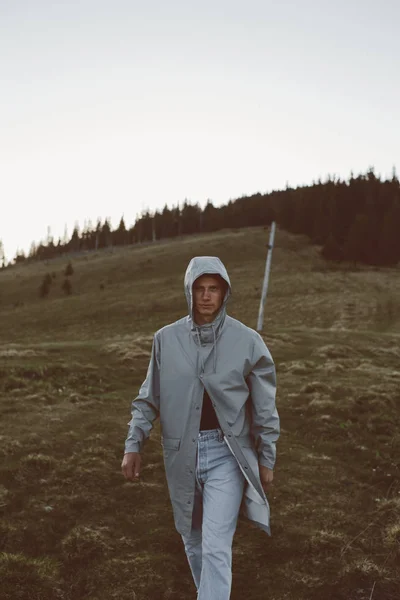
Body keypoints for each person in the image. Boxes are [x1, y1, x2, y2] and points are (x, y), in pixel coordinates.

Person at [122, 256, 279, 599]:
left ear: (225, 293)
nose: (206, 296)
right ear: (188, 292)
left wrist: (266, 458)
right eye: (199, 289)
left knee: (215, 545)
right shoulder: (165, 339)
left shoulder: (248, 341)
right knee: (192, 542)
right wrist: (133, 444)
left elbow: (265, 406)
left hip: (228, 455)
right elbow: (149, 398)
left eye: (214, 289)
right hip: (182, 456)